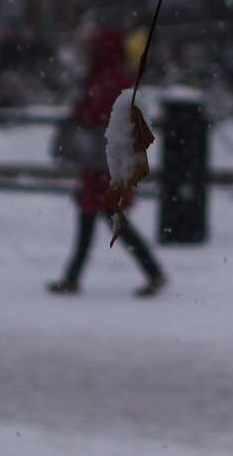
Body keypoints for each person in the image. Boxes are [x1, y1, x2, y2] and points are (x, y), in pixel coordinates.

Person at [47, 24, 167, 297]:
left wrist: (80, 111)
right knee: (99, 216)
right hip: (108, 161)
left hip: (102, 163)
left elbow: (100, 116)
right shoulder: (118, 78)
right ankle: (77, 275)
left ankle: (148, 271)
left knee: (101, 216)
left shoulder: (104, 81)